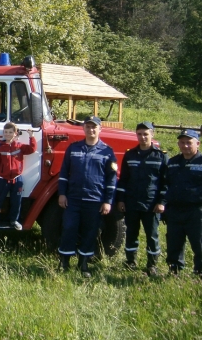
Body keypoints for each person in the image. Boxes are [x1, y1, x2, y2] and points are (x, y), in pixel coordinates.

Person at [57, 116, 118, 278]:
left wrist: (108, 201)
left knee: (90, 232)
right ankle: (64, 262)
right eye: (88, 127)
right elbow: (64, 173)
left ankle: (83, 264)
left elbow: (112, 179)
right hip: (73, 198)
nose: (91, 130)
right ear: (83, 129)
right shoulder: (73, 148)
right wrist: (62, 193)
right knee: (69, 228)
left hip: (94, 200)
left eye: (94, 127)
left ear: (100, 129)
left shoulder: (107, 151)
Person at [164, 129, 202, 277]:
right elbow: (165, 184)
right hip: (175, 211)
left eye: (189, 143)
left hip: (196, 211)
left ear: (198, 143)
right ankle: (174, 271)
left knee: (200, 243)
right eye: (182, 142)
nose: (185, 146)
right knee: (174, 243)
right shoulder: (172, 163)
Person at [116, 122, 168, 275]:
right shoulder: (130, 154)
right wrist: (121, 199)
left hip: (151, 204)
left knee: (152, 235)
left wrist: (161, 202)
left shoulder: (161, 156)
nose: (143, 137)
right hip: (132, 202)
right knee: (131, 233)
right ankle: (130, 262)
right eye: (139, 134)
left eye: (146, 134)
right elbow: (124, 179)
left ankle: (152, 265)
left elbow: (166, 182)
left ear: (152, 134)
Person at [0, 122, 36, 231]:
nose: (8, 134)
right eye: (6, 132)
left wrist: (31, 136)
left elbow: (32, 149)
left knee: (16, 201)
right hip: (3, 179)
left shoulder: (20, 146)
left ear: (15, 133)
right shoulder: (0, 147)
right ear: (3, 133)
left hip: (17, 179)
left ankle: (14, 220)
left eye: (10, 132)